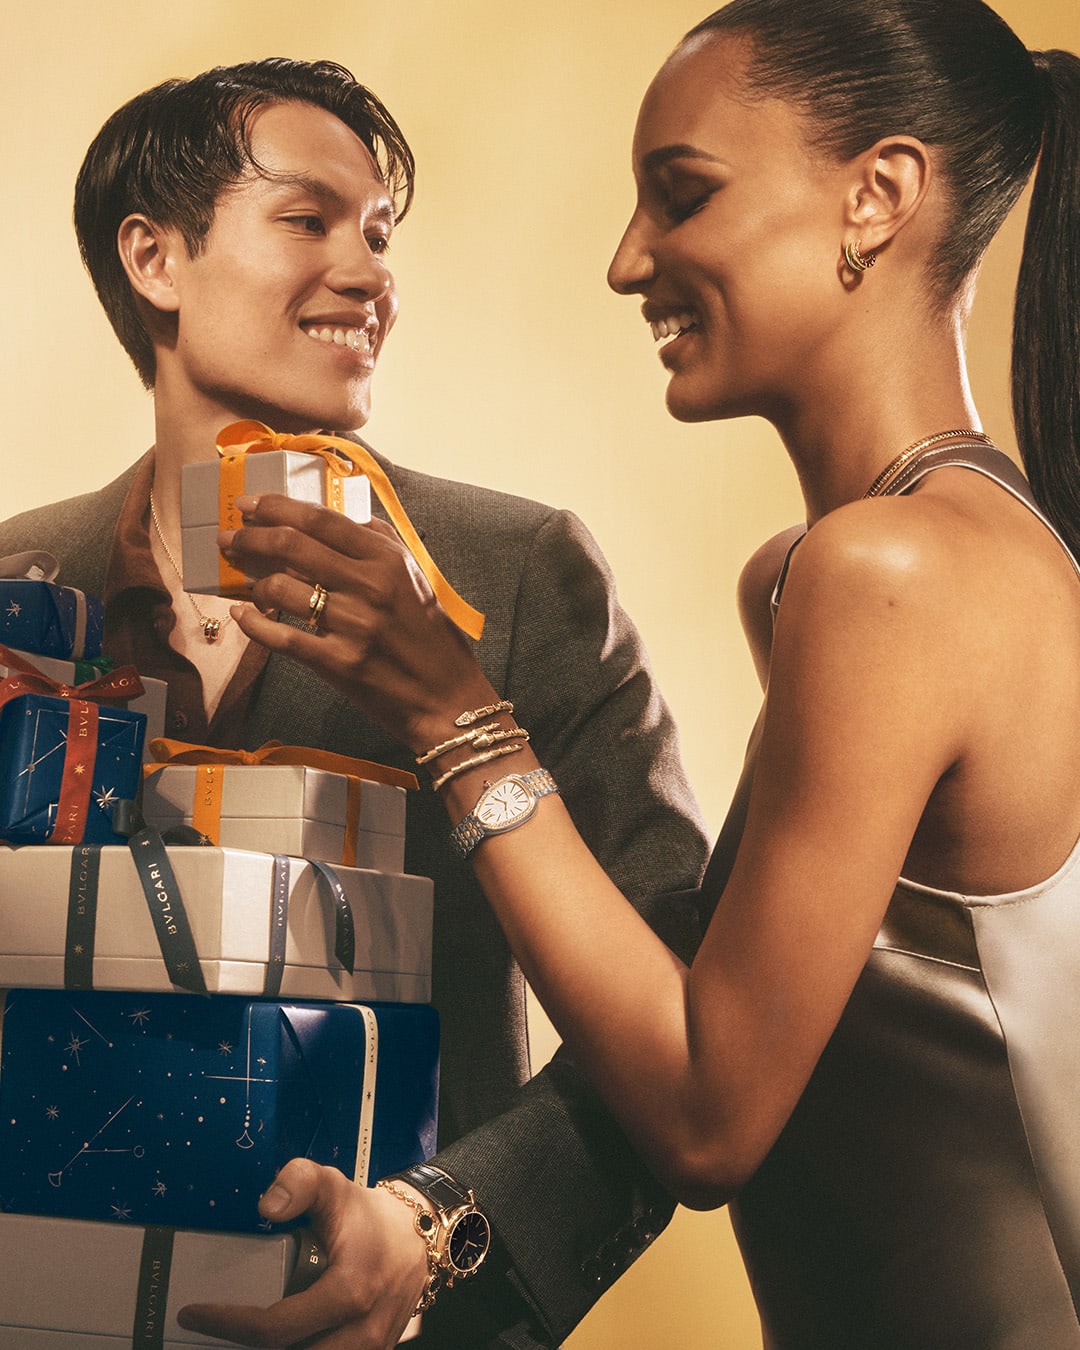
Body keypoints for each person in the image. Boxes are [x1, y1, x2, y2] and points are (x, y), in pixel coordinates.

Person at [183, 1, 1080, 1345]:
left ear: (879, 196)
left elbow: (711, 1113)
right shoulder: (822, 572)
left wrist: (452, 709)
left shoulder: (896, 572)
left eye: (683, 195)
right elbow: (708, 1020)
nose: (625, 260)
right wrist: (426, 1225)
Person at [0, 60, 711, 1348]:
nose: (370, 273)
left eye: (379, 234)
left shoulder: (518, 570)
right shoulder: (13, 585)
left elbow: (685, 1019)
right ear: (155, 258)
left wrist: (444, 1231)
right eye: (308, 219)